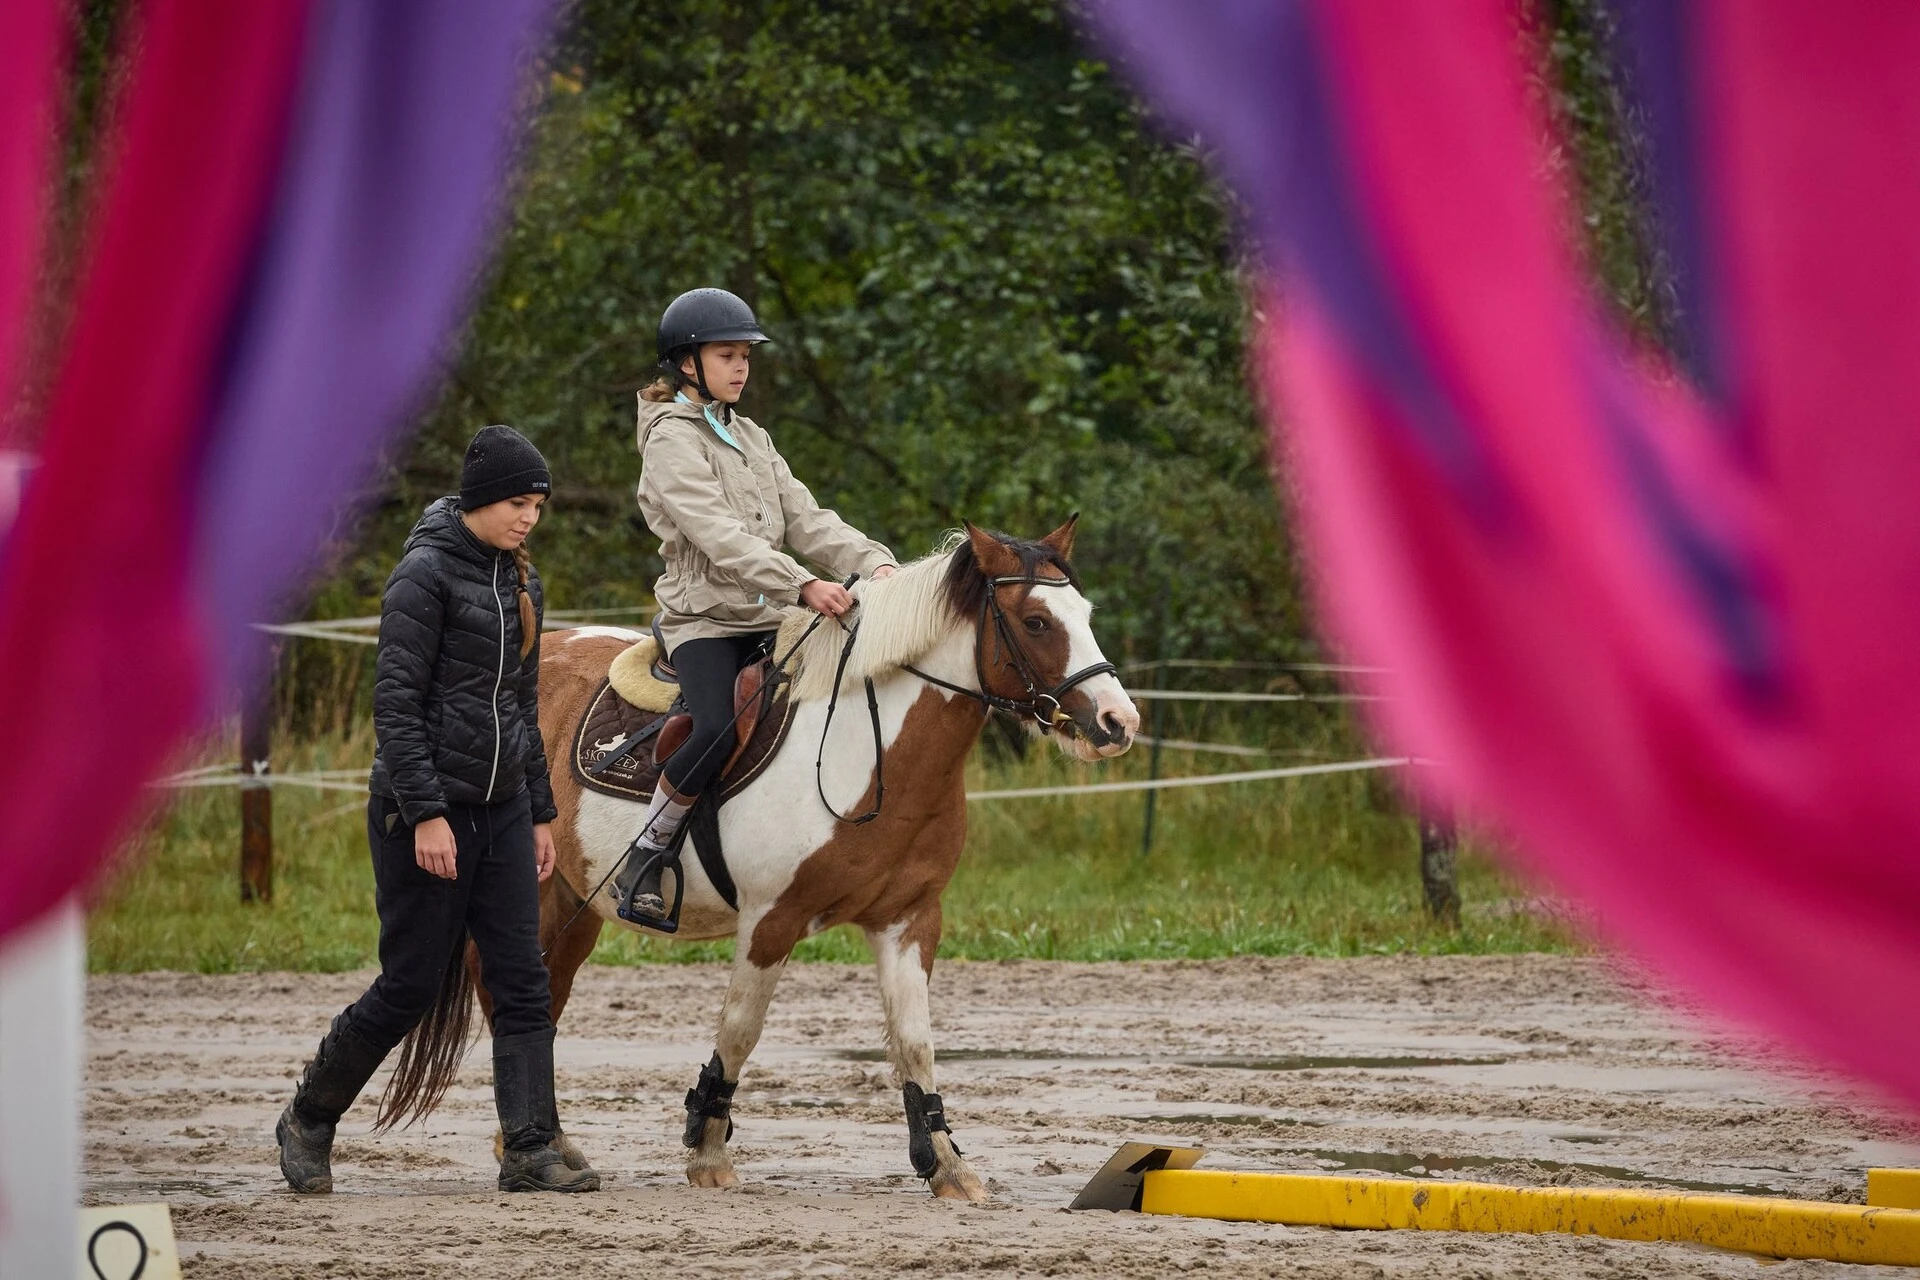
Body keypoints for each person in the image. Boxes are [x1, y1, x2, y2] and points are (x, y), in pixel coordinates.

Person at [275, 425, 598, 1195]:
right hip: (420, 811)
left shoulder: (521, 580)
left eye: (540, 505)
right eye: (519, 503)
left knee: (523, 978)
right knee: (413, 985)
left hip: (503, 810)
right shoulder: (421, 575)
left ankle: (528, 1150)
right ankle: (309, 1118)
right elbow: (396, 705)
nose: (530, 517)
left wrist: (542, 812)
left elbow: (519, 706)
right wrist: (425, 814)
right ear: (482, 500)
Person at [610, 288, 897, 924]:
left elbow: (806, 517)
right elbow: (720, 537)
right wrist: (804, 586)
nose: (742, 367)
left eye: (746, 356)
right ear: (688, 363)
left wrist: (872, 560)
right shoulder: (669, 442)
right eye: (728, 355)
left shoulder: (750, 435)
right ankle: (646, 853)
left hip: (769, 618)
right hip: (704, 621)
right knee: (715, 725)